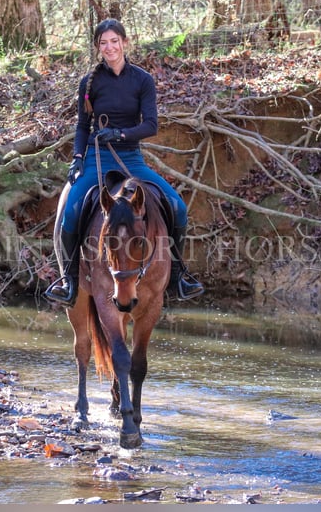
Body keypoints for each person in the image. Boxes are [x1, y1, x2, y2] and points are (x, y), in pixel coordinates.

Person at [44, 18, 204, 307]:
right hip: (96, 159)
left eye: (114, 41)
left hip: (131, 158)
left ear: (125, 43)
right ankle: (69, 281)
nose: (109, 47)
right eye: (103, 43)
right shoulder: (89, 83)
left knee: (178, 206)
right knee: (70, 212)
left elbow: (151, 125)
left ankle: (180, 275)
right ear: (97, 48)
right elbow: (82, 127)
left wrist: (119, 133)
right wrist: (77, 158)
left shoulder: (142, 80)